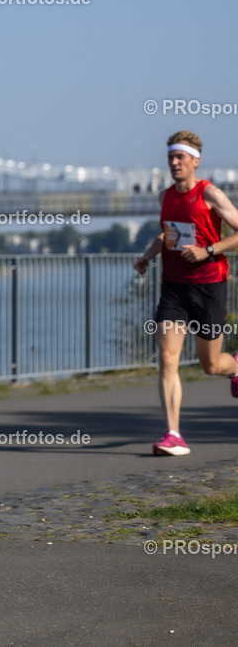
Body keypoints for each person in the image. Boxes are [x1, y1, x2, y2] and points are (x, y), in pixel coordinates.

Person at [134, 130, 238, 456]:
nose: (174, 163)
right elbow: (167, 235)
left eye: (180, 158)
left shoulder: (210, 194)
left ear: (196, 161)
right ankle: (174, 434)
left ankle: (234, 367)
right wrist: (147, 257)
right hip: (174, 288)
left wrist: (209, 250)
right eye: (170, 158)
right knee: (167, 359)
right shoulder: (166, 197)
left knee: (211, 365)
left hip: (209, 286)